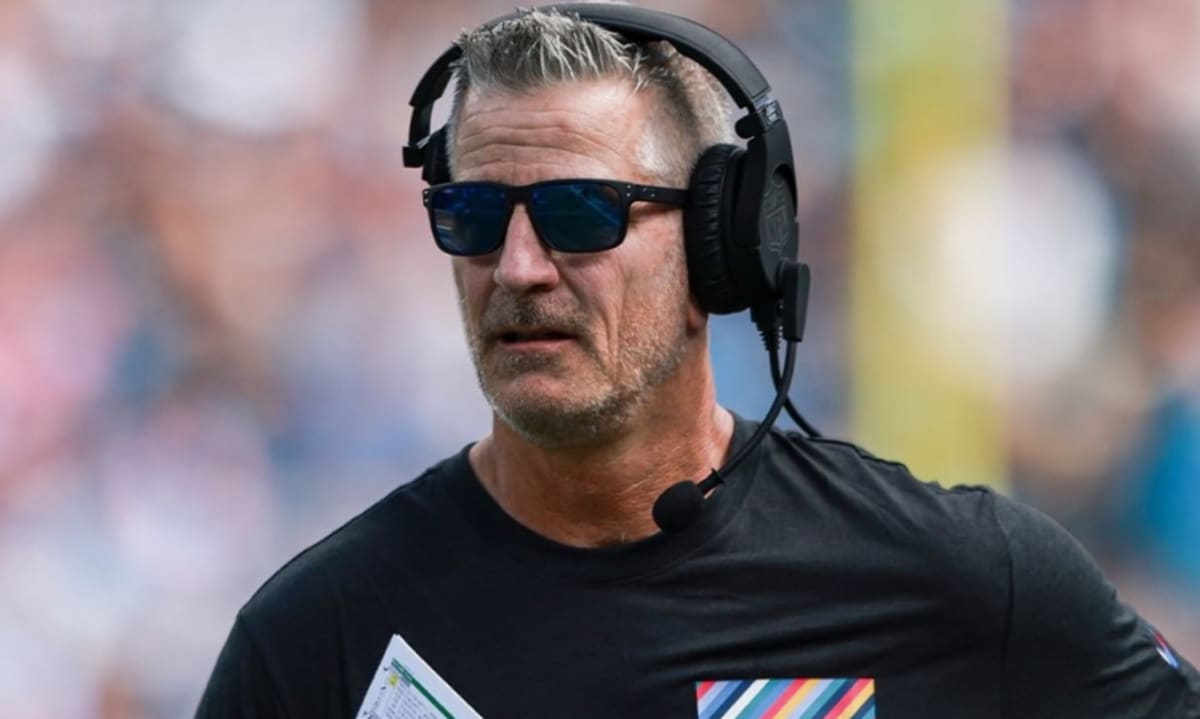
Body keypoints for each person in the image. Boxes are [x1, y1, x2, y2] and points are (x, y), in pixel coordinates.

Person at [196, 5, 1200, 717]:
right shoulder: (317, 640)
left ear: (724, 246)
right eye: (473, 214)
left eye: (579, 212)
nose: (518, 266)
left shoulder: (968, 579)